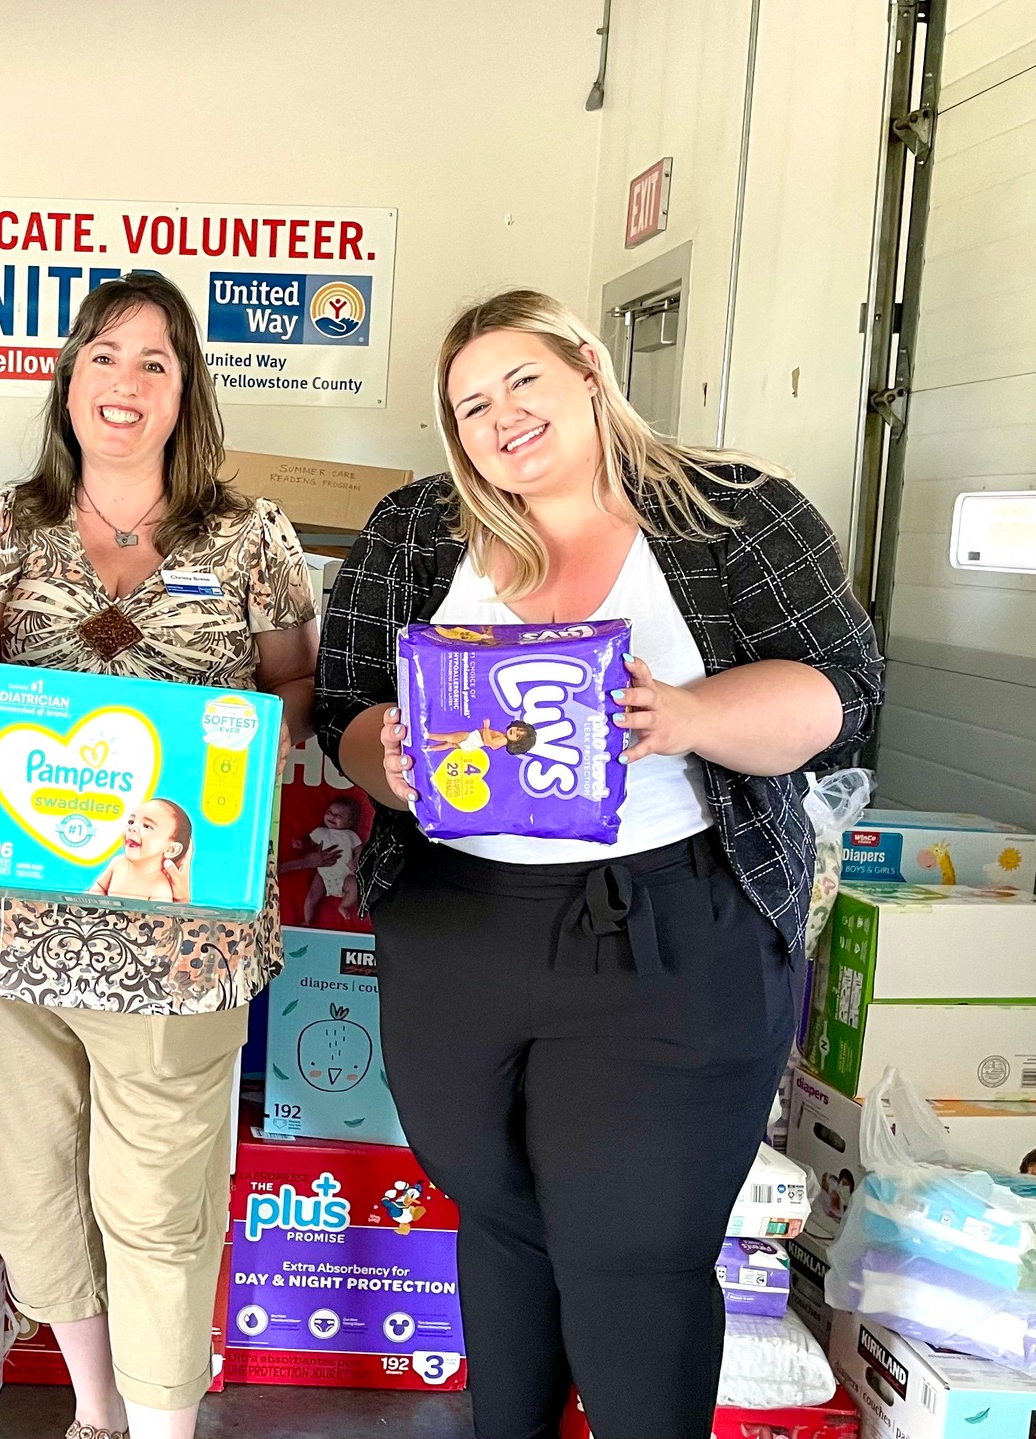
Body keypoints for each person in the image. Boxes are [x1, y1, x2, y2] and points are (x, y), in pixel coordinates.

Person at [314, 289, 883, 1439]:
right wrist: (393, 757)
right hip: (457, 922)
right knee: (499, 1209)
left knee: (629, 1243)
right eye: (469, 404)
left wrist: (681, 714)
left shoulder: (732, 511)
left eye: (521, 380)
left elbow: (840, 691)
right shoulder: (420, 529)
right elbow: (343, 713)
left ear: (585, 366)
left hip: (672, 925)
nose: (500, 418)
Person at [0, 273, 319, 1439]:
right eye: (102, 354)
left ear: (185, 386)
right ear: (67, 377)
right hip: (4, 925)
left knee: (155, 1202)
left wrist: (237, 754)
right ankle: (96, 1414)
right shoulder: (4, 523)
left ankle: (163, 1425)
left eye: (152, 359)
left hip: (178, 933)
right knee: (31, 1190)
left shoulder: (251, 535)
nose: (123, 380)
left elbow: (294, 683)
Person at [89, 799, 194, 901]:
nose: (132, 828)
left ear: (171, 849)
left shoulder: (159, 887)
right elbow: (100, 887)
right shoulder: (118, 863)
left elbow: (158, 918)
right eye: (131, 822)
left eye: (147, 826)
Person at [281, 794, 362, 926]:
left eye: (338, 816)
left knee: (355, 887)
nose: (332, 816)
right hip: (323, 875)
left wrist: (356, 860)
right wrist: (302, 845)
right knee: (312, 894)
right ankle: (308, 920)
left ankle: (343, 906)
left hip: (345, 875)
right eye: (329, 812)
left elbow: (359, 849)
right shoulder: (320, 832)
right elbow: (311, 844)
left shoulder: (350, 835)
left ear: (350, 822)